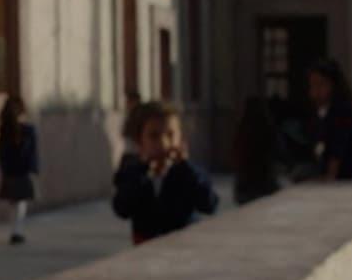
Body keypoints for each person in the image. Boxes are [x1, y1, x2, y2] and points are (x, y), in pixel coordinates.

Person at [112, 102, 219, 244]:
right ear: (140, 140)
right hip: (145, 251)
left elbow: (209, 204)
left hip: (183, 248)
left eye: (170, 135)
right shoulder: (132, 170)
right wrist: (143, 171)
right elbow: (122, 209)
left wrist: (185, 167)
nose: (163, 143)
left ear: (180, 138)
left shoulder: (188, 171)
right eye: (154, 136)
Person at [308, 58, 352, 181]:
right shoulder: (321, 110)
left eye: (321, 84)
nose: (315, 91)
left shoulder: (343, 109)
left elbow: (338, 145)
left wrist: (330, 175)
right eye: (313, 85)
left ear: (333, 85)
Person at [0, 95, 39, 245]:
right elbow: (32, 153)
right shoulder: (28, 130)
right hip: (22, 170)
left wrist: (3, 168)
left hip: (10, 170)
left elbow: (0, 152)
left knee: (13, 202)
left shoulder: (4, 130)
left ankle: (15, 230)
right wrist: (34, 169)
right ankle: (17, 231)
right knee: (20, 202)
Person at [233, 96, 283, 205]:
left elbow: (234, 156)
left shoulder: (242, 130)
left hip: (245, 185)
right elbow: (279, 151)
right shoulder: (268, 129)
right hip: (265, 183)